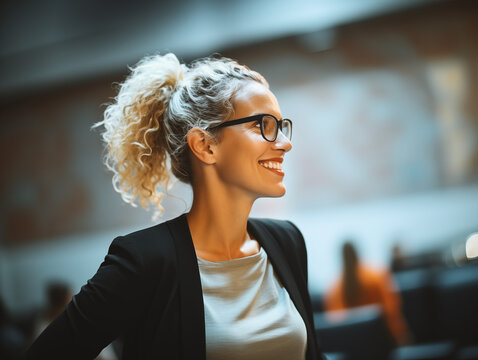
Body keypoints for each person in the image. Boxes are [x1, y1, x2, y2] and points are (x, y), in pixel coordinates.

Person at [26, 53, 325, 359]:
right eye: (264, 124)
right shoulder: (144, 261)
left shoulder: (287, 241)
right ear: (205, 146)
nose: (285, 143)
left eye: (281, 125)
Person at [324, 241, 409, 346]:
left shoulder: (333, 289)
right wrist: (402, 337)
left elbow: (336, 326)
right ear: (357, 253)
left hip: (353, 349)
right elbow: (391, 311)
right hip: (383, 345)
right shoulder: (377, 276)